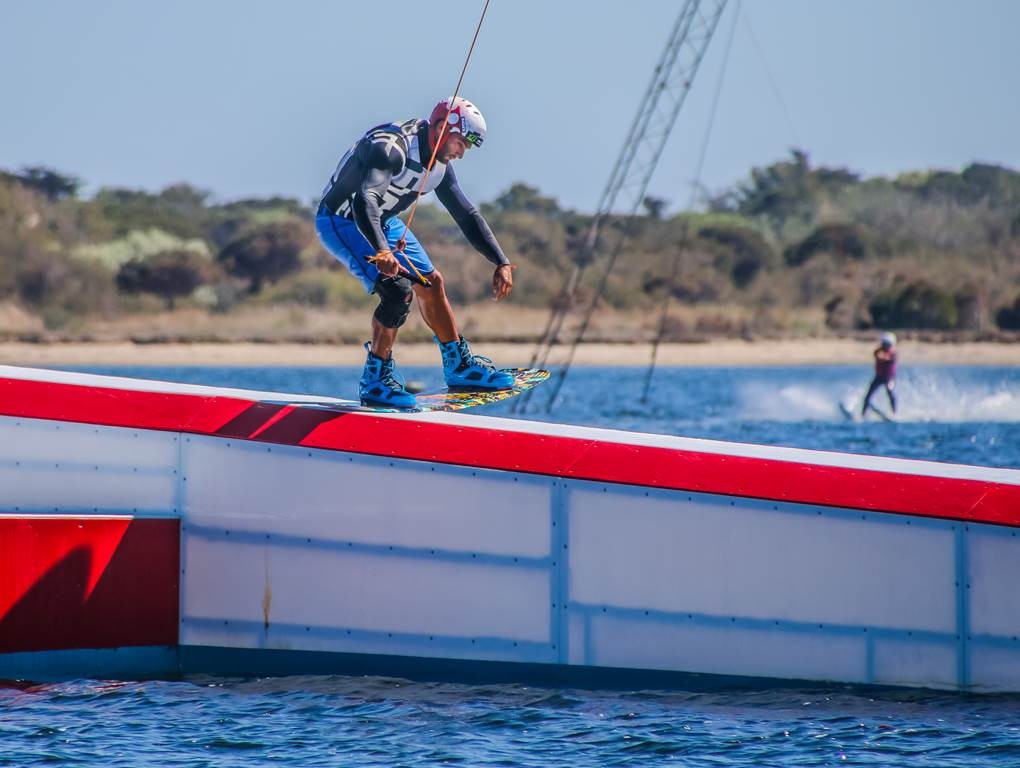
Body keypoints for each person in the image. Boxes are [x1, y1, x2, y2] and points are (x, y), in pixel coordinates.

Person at [315, 97, 515, 408]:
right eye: (461, 142)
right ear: (441, 127)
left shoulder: (440, 167)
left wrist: (500, 261)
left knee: (431, 282)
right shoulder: (390, 148)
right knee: (397, 291)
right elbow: (364, 199)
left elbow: (466, 215)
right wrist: (382, 250)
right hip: (343, 220)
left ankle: (460, 367)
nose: (462, 153)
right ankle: (376, 381)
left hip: (384, 220)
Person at [861, 331, 897, 416]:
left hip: (889, 378)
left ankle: (894, 413)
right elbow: (878, 355)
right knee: (868, 395)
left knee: (890, 393)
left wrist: (883, 356)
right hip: (879, 377)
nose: (884, 346)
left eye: (886, 344)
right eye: (884, 343)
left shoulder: (893, 353)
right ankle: (863, 414)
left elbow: (886, 358)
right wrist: (881, 355)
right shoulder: (878, 351)